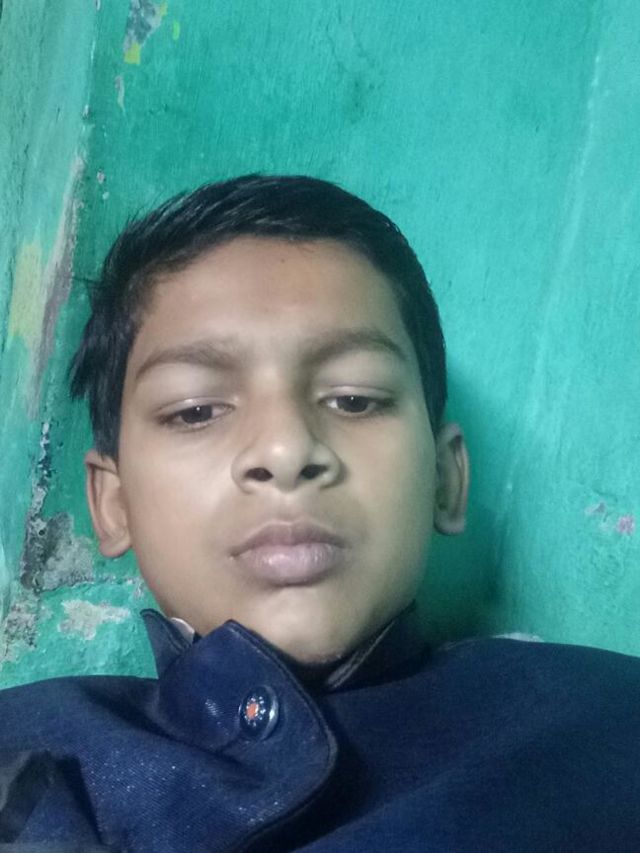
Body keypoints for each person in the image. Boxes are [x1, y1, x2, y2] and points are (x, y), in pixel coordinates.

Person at [0, 174, 638, 852]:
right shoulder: (24, 743)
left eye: (355, 399)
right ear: (114, 501)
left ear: (446, 478)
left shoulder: (612, 731)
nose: (286, 450)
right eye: (196, 410)